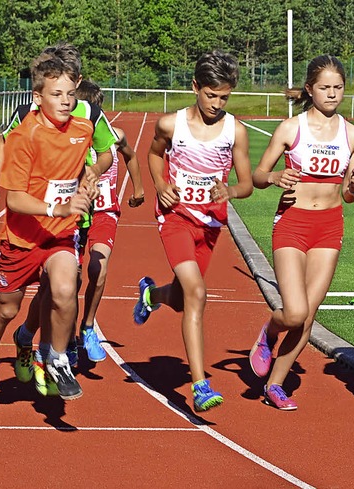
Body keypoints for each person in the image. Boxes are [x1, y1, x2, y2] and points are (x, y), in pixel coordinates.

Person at [0, 43, 116, 401]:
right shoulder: (25, 136)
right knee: (8, 307)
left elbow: (105, 154)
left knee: (66, 289)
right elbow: (15, 199)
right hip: (23, 238)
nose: (66, 101)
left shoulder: (84, 127)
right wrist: (59, 208)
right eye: (57, 95)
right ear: (38, 97)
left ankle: (56, 357)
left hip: (61, 235)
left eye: (70, 94)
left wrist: (91, 174)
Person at [132, 50, 253, 412]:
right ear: (195, 87)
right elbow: (154, 155)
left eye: (224, 97)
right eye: (211, 95)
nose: (217, 103)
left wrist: (229, 190)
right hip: (176, 218)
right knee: (198, 293)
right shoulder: (172, 125)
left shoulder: (235, 131)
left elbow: (246, 183)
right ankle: (200, 384)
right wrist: (160, 182)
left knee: (184, 298)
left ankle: (152, 296)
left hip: (211, 224)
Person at [249, 55, 354, 410]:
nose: (332, 94)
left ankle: (275, 385)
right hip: (293, 223)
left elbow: (347, 193)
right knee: (295, 312)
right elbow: (258, 176)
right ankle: (269, 332)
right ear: (310, 90)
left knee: (309, 316)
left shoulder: (353, 135)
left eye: (338, 87)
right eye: (325, 87)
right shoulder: (290, 128)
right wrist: (274, 178)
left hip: (329, 226)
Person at [74, 79, 145, 363]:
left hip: (105, 211)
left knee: (98, 268)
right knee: (72, 276)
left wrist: (138, 189)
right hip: (76, 214)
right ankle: (66, 334)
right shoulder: (70, 140)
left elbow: (131, 156)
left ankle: (88, 327)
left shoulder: (115, 135)